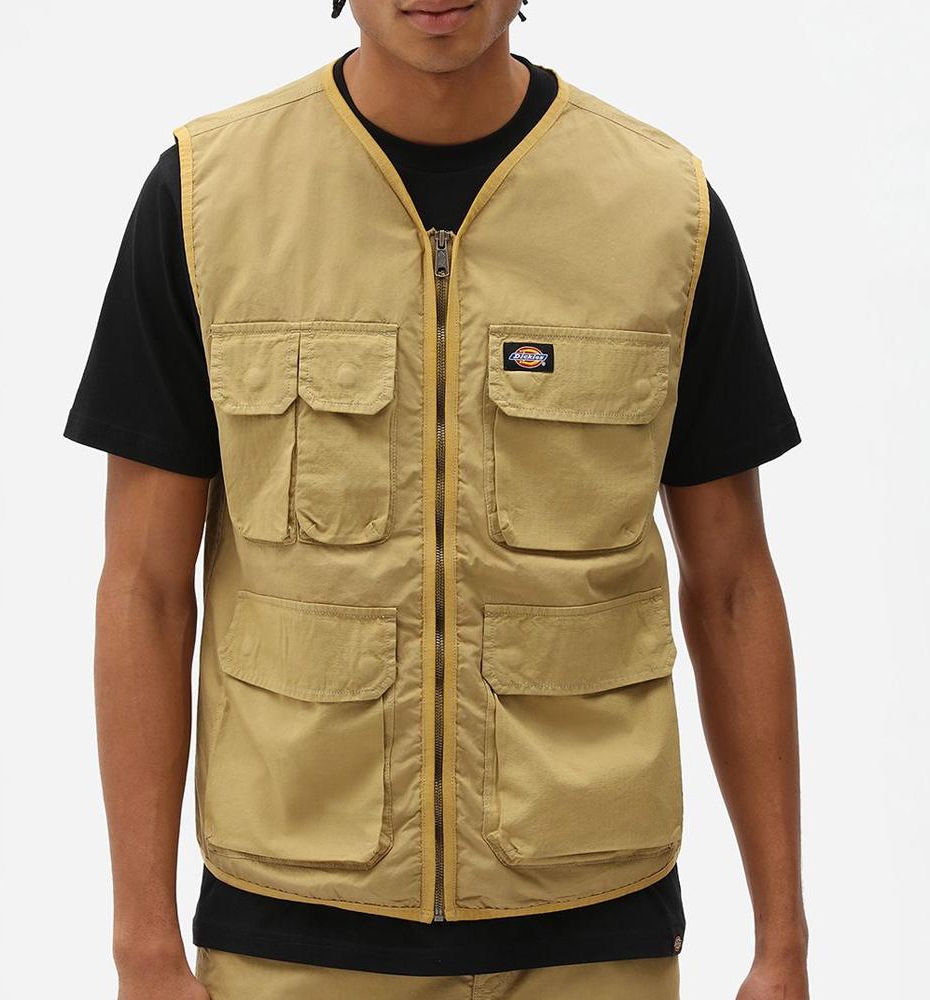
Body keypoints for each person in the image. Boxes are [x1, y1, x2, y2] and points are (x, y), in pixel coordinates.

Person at [65, 2, 809, 997]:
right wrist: (143, 942)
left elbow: (732, 584)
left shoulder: (662, 209)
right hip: (293, 932)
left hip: (592, 930)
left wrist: (783, 943)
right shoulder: (207, 199)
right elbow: (145, 589)